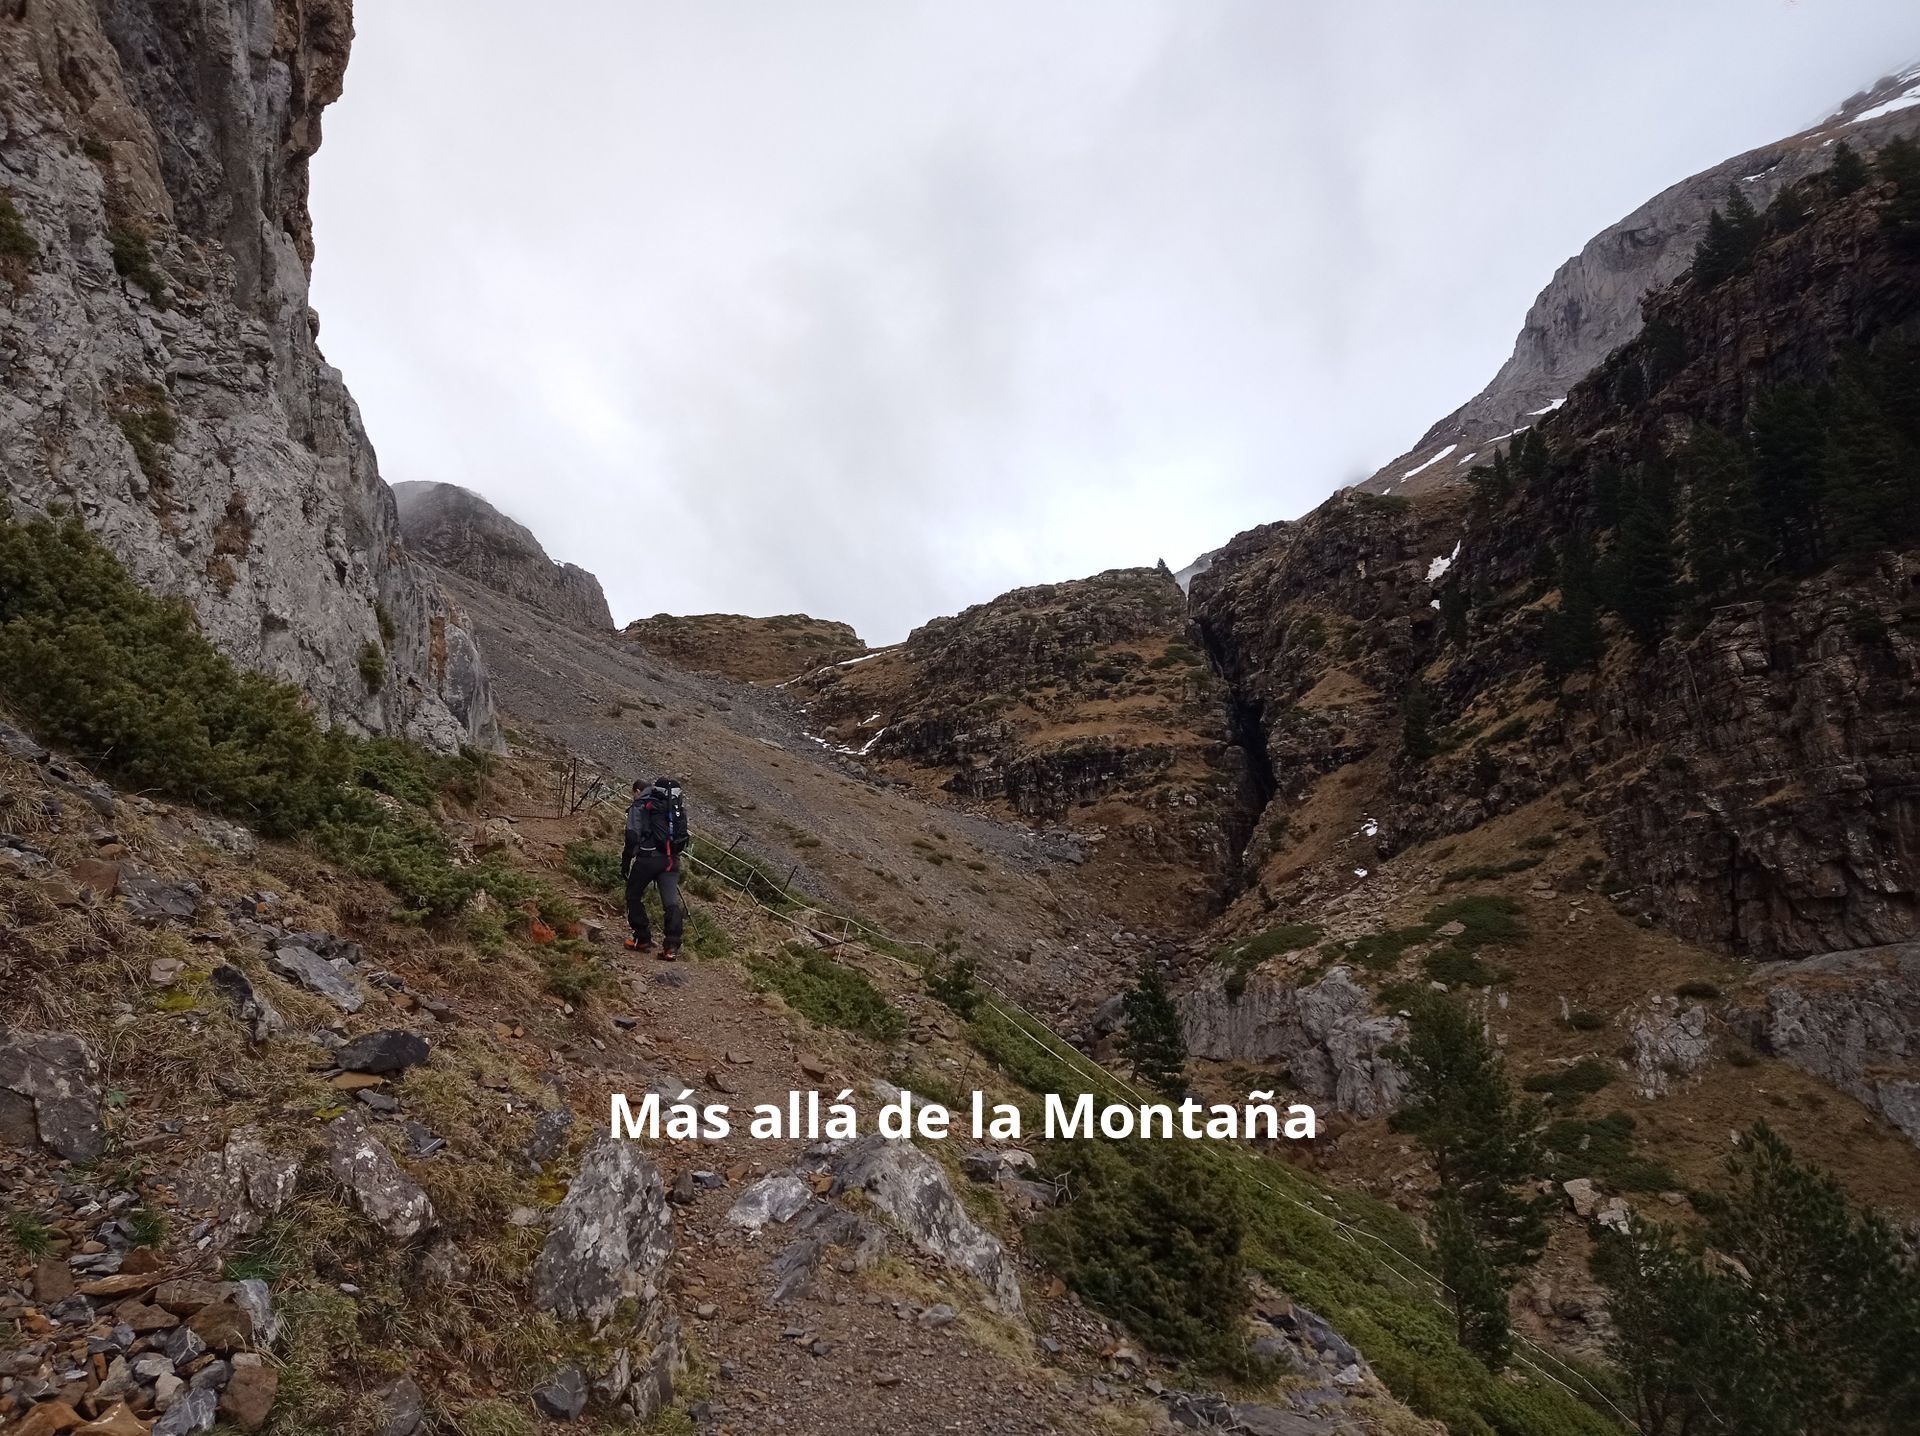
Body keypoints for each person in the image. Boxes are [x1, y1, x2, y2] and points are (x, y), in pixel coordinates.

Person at [622, 776, 687, 958]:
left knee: (633, 895)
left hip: (648, 859)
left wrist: (626, 861)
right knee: (671, 904)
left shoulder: (642, 805)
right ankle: (671, 947)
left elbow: (632, 836)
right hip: (671, 861)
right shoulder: (675, 808)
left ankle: (642, 938)